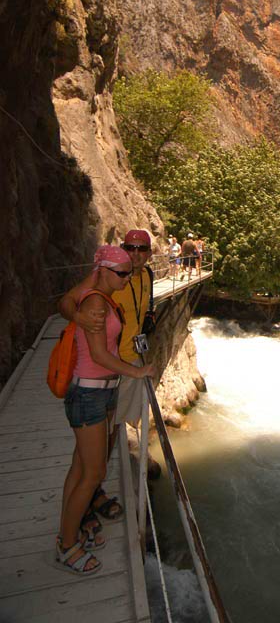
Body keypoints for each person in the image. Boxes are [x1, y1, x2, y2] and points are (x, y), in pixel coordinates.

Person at [55, 245, 155, 576]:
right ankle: (67, 545)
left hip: (99, 393)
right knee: (93, 473)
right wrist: (137, 372)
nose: (127, 278)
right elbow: (99, 355)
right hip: (89, 394)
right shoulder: (96, 302)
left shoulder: (103, 296)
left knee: (80, 468)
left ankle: (68, 532)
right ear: (104, 271)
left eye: (129, 273)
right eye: (122, 273)